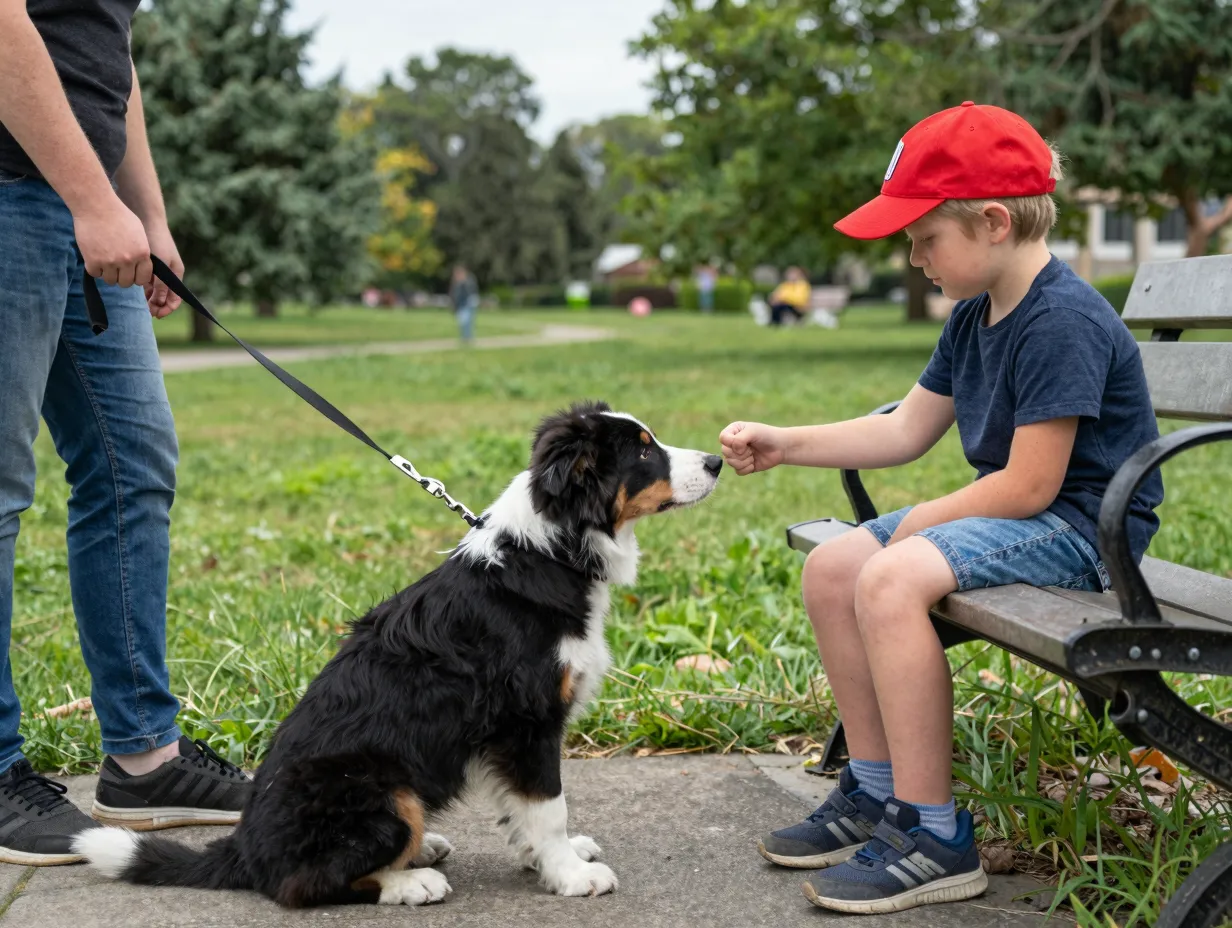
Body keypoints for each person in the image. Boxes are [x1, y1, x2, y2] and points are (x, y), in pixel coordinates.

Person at [720, 101, 1163, 913]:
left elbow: (1033, 486)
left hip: (1082, 529)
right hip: (1022, 514)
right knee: (833, 567)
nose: (914, 257)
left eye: (925, 239)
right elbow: (907, 429)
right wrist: (788, 440)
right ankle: (876, 790)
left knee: (889, 579)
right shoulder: (972, 317)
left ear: (993, 221)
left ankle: (935, 835)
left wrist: (923, 523)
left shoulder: (1060, 318)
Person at [0, 0, 251, 866]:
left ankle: (145, 760)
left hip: (82, 202)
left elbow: (110, 57)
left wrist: (144, 211)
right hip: (12, 191)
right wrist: (88, 196)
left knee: (131, 462)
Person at [448, 264, 479, 344]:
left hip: (468, 303)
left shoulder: (468, 281)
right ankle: (465, 337)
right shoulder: (456, 283)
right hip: (461, 304)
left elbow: (471, 292)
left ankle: (468, 337)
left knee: (467, 321)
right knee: (462, 321)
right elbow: (454, 295)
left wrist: (463, 282)